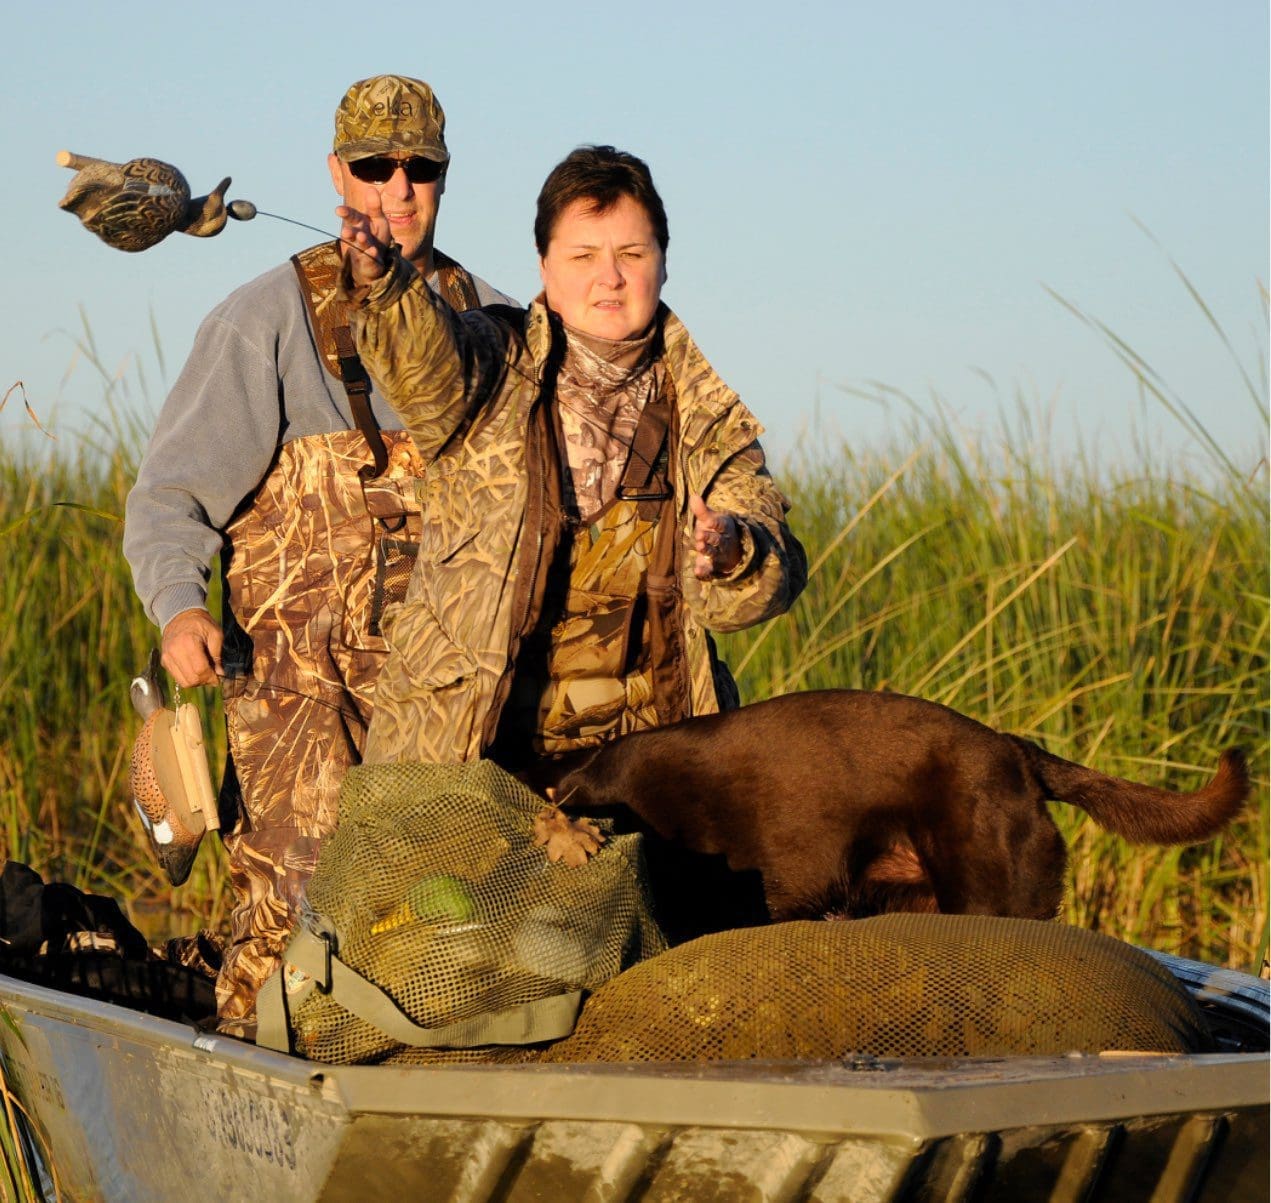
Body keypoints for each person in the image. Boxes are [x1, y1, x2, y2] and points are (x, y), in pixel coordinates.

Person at [123, 75, 513, 1036]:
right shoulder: (262, 320)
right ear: (338, 173)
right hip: (300, 707)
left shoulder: (496, 326)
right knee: (287, 938)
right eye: (375, 165)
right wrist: (180, 608)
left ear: (443, 177)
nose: (398, 187)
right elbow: (169, 499)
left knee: (459, 931)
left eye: (418, 168)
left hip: (450, 707)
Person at [337, 145, 806, 768]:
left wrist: (732, 552)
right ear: (544, 269)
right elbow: (425, 362)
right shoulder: (491, 365)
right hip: (466, 761)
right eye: (583, 256)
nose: (609, 277)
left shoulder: (707, 419)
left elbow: (760, 583)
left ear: (662, 266)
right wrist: (383, 285)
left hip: (651, 771)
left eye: (632, 255)